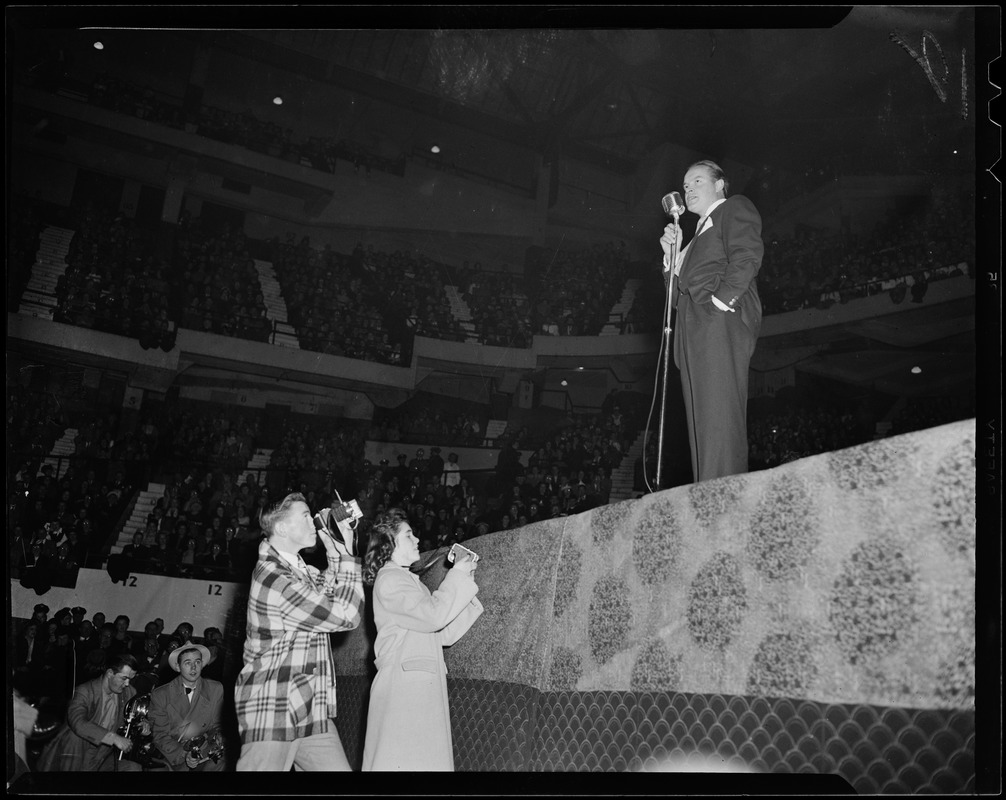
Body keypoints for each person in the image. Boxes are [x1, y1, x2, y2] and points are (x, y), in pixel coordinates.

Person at [234, 492, 364, 771]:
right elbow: (345, 615)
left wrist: (335, 550)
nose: (313, 522)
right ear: (281, 528)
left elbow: (328, 590)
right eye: (305, 516)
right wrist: (350, 555)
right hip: (274, 706)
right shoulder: (275, 577)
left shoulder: (297, 568)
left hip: (308, 705)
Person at [659, 159, 763, 482]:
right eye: (685, 186)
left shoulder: (732, 208)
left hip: (716, 325)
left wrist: (719, 304)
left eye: (697, 182)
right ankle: (709, 494)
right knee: (700, 428)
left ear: (719, 184)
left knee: (719, 420)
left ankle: (724, 499)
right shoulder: (692, 239)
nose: (688, 189)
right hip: (692, 334)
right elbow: (675, 298)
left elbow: (747, 256)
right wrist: (670, 258)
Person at [361, 508, 483, 771]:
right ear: (389, 544)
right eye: (409, 535)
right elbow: (433, 616)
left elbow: (443, 634)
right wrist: (457, 576)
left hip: (416, 686)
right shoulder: (391, 578)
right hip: (403, 689)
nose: (417, 540)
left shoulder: (411, 582)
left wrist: (465, 582)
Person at [35, 654, 143, 772]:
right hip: (76, 753)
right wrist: (114, 738)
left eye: (130, 679)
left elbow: (135, 716)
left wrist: (143, 724)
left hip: (103, 756)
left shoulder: (128, 692)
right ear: (110, 673)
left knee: (133, 768)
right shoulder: (84, 692)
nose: (127, 684)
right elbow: (78, 722)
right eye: (124, 678)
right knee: (73, 737)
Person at [148, 643, 227, 771]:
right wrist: (185, 755)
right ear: (178, 667)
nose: (193, 667)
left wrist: (219, 737)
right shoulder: (161, 695)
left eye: (197, 662)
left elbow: (216, 726)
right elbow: (160, 735)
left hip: (205, 750)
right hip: (173, 753)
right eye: (187, 663)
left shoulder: (215, 689)